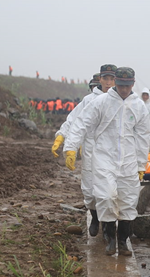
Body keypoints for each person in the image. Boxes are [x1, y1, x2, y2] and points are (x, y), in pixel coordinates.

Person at [63, 67, 150, 256]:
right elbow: (81, 123)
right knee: (106, 196)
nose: (124, 90)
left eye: (127, 86)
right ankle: (110, 238)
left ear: (133, 84)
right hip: (104, 157)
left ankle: (123, 241)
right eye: (120, 85)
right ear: (116, 83)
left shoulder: (138, 106)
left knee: (128, 201)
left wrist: (141, 165)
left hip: (128, 160)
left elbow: (144, 136)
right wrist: (70, 147)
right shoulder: (101, 102)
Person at [52, 64, 117, 237]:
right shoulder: (89, 100)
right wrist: (63, 136)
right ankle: (95, 217)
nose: (109, 82)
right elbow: (75, 121)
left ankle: (109, 226)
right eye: (106, 78)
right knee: (89, 188)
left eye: (112, 78)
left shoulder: (120, 100)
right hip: (90, 149)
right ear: (100, 80)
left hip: (112, 151)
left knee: (111, 189)